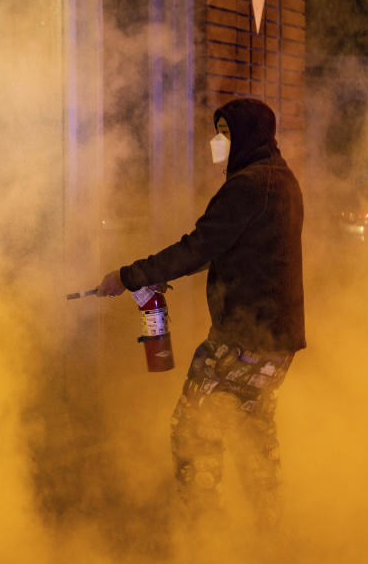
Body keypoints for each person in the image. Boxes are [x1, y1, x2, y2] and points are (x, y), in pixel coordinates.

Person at [96, 97, 305, 526]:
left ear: (247, 135)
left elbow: (200, 245)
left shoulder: (248, 185)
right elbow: (235, 246)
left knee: (192, 430)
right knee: (253, 431)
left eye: (226, 134)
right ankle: (274, 534)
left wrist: (129, 276)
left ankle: (203, 533)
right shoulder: (282, 180)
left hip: (243, 339)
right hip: (277, 343)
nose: (217, 142)